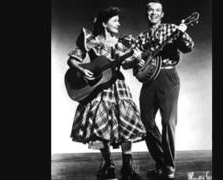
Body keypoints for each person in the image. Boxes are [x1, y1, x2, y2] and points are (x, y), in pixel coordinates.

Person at [66, 7, 146, 180]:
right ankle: (108, 163)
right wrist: (81, 68)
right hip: (98, 86)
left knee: (125, 120)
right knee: (99, 122)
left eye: (119, 20)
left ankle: (127, 164)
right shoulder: (91, 41)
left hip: (117, 84)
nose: (119, 23)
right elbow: (72, 59)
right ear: (104, 23)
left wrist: (136, 58)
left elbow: (124, 65)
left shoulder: (121, 42)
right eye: (115, 20)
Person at [132, 0, 194, 179]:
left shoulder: (172, 28)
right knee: (145, 123)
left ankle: (169, 167)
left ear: (162, 13)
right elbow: (135, 64)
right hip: (149, 81)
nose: (153, 13)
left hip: (168, 78)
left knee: (168, 123)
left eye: (157, 10)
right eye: (150, 10)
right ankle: (162, 162)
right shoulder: (142, 36)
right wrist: (138, 59)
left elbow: (188, 47)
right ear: (146, 13)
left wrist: (182, 34)